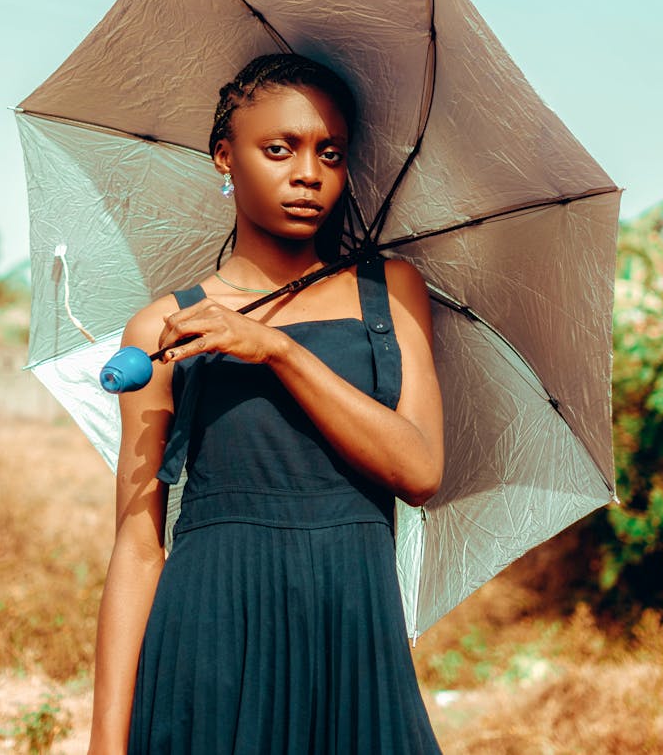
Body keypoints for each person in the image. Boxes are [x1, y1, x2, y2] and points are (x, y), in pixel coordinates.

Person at [87, 53, 445, 755]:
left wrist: (277, 349)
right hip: (209, 641)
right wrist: (105, 742)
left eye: (330, 152)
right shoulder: (166, 327)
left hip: (354, 638)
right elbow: (137, 548)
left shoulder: (391, 290)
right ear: (225, 155)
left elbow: (421, 467)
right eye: (278, 148)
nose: (307, 172)